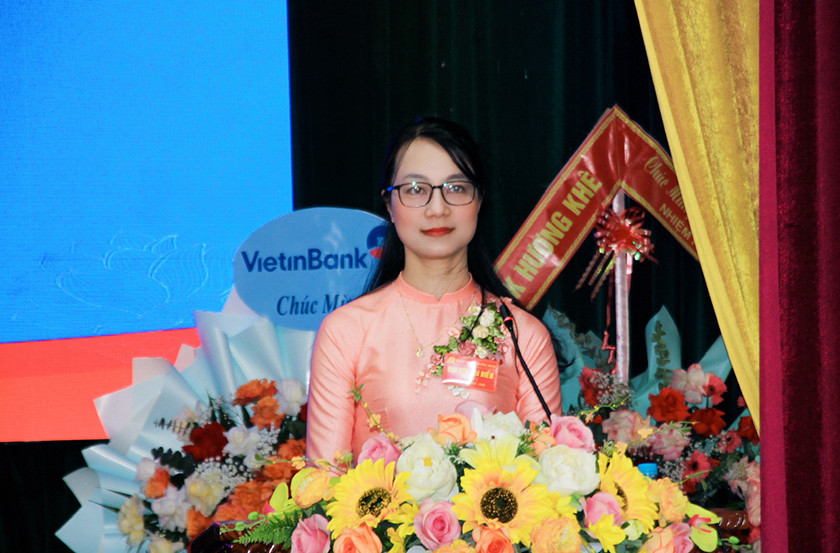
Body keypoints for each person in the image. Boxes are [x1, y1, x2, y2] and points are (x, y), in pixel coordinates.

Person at [305, 116, 562, 461]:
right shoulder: (346, 331)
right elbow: (325, 479)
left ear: (479, 201)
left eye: (456, 188)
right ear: (390, 205)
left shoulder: (521, 334)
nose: (437, 209)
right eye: (415, 190)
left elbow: (545, 475)